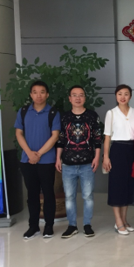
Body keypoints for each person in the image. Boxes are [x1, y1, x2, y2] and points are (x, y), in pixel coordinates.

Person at [15, 80, 61, 239]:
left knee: (48, 193)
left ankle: (49, 226)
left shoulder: (53, 112)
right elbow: (19, 133)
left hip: (46, 161)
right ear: (31, 94)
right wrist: (30, 154)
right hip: (27, 161)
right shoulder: (23, 111)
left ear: (47, 94)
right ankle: (33, 226)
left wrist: (38, 154)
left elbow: (55, 136)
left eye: (42, 92)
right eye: (35, 92)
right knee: (32, 195)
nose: (38, 95)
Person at [55, 85, 102, 238]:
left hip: (87, 163)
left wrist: (97, 157)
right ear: (70, 98)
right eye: (74, 95)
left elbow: (97, 139)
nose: (78, 98)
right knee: (69, 196)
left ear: (85, 98)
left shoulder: (92, 116)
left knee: (88, 196)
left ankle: (87, 224)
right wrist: (58, 158)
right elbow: (61, 139)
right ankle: (72, 225)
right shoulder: (64, 117)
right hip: (67, 163)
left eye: (81, 95)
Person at [102, 84, 134, 235]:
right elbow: (107, 136)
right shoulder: (111, 113)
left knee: (128, 185)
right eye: (120, 94)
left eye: (126, 94)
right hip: (117, 150)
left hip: (132, 150)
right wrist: (106, 156)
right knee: (117, 186)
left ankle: (124, 220)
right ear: (116, 96)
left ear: (130, 96)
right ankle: (118, 221)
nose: (123, 97)